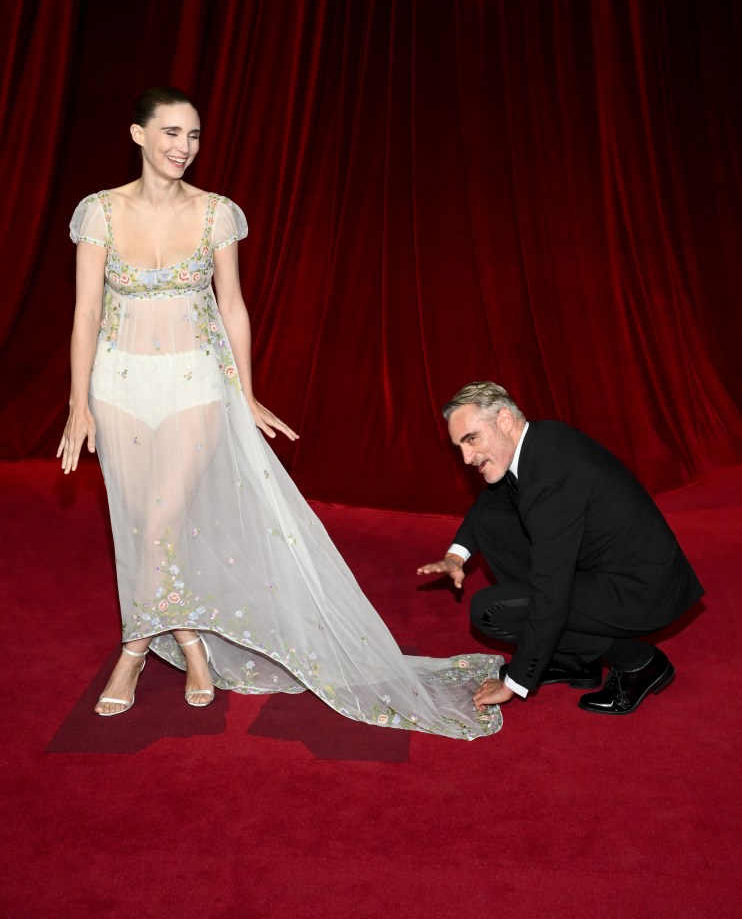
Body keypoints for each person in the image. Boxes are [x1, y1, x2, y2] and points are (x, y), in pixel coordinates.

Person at [57, 86, 502, 739]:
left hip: (194, 385)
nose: (184, 147)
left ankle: (132, 652)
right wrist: (76, 405)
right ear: (138, 135)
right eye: (172, 133)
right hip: (117, 384)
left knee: (158, 523)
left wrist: (244, 390)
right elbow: (86, 313)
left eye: (194, 137)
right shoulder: (99, 214)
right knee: (137, 521)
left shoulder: (216, 214)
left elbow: (232, 306)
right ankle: (195, 646)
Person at [417, 381, 703, 716]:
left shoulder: (551, 482)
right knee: (492, 525)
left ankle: (638, 661)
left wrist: (514, 683)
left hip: (641, 589)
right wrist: (456, 556)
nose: (466, 458)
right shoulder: (538, 439)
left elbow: (549, 596)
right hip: (605, 566)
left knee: (489, 610)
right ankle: (576, 662)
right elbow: (488, 506)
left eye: (471, 439)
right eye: (459, 446)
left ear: (505, 420)